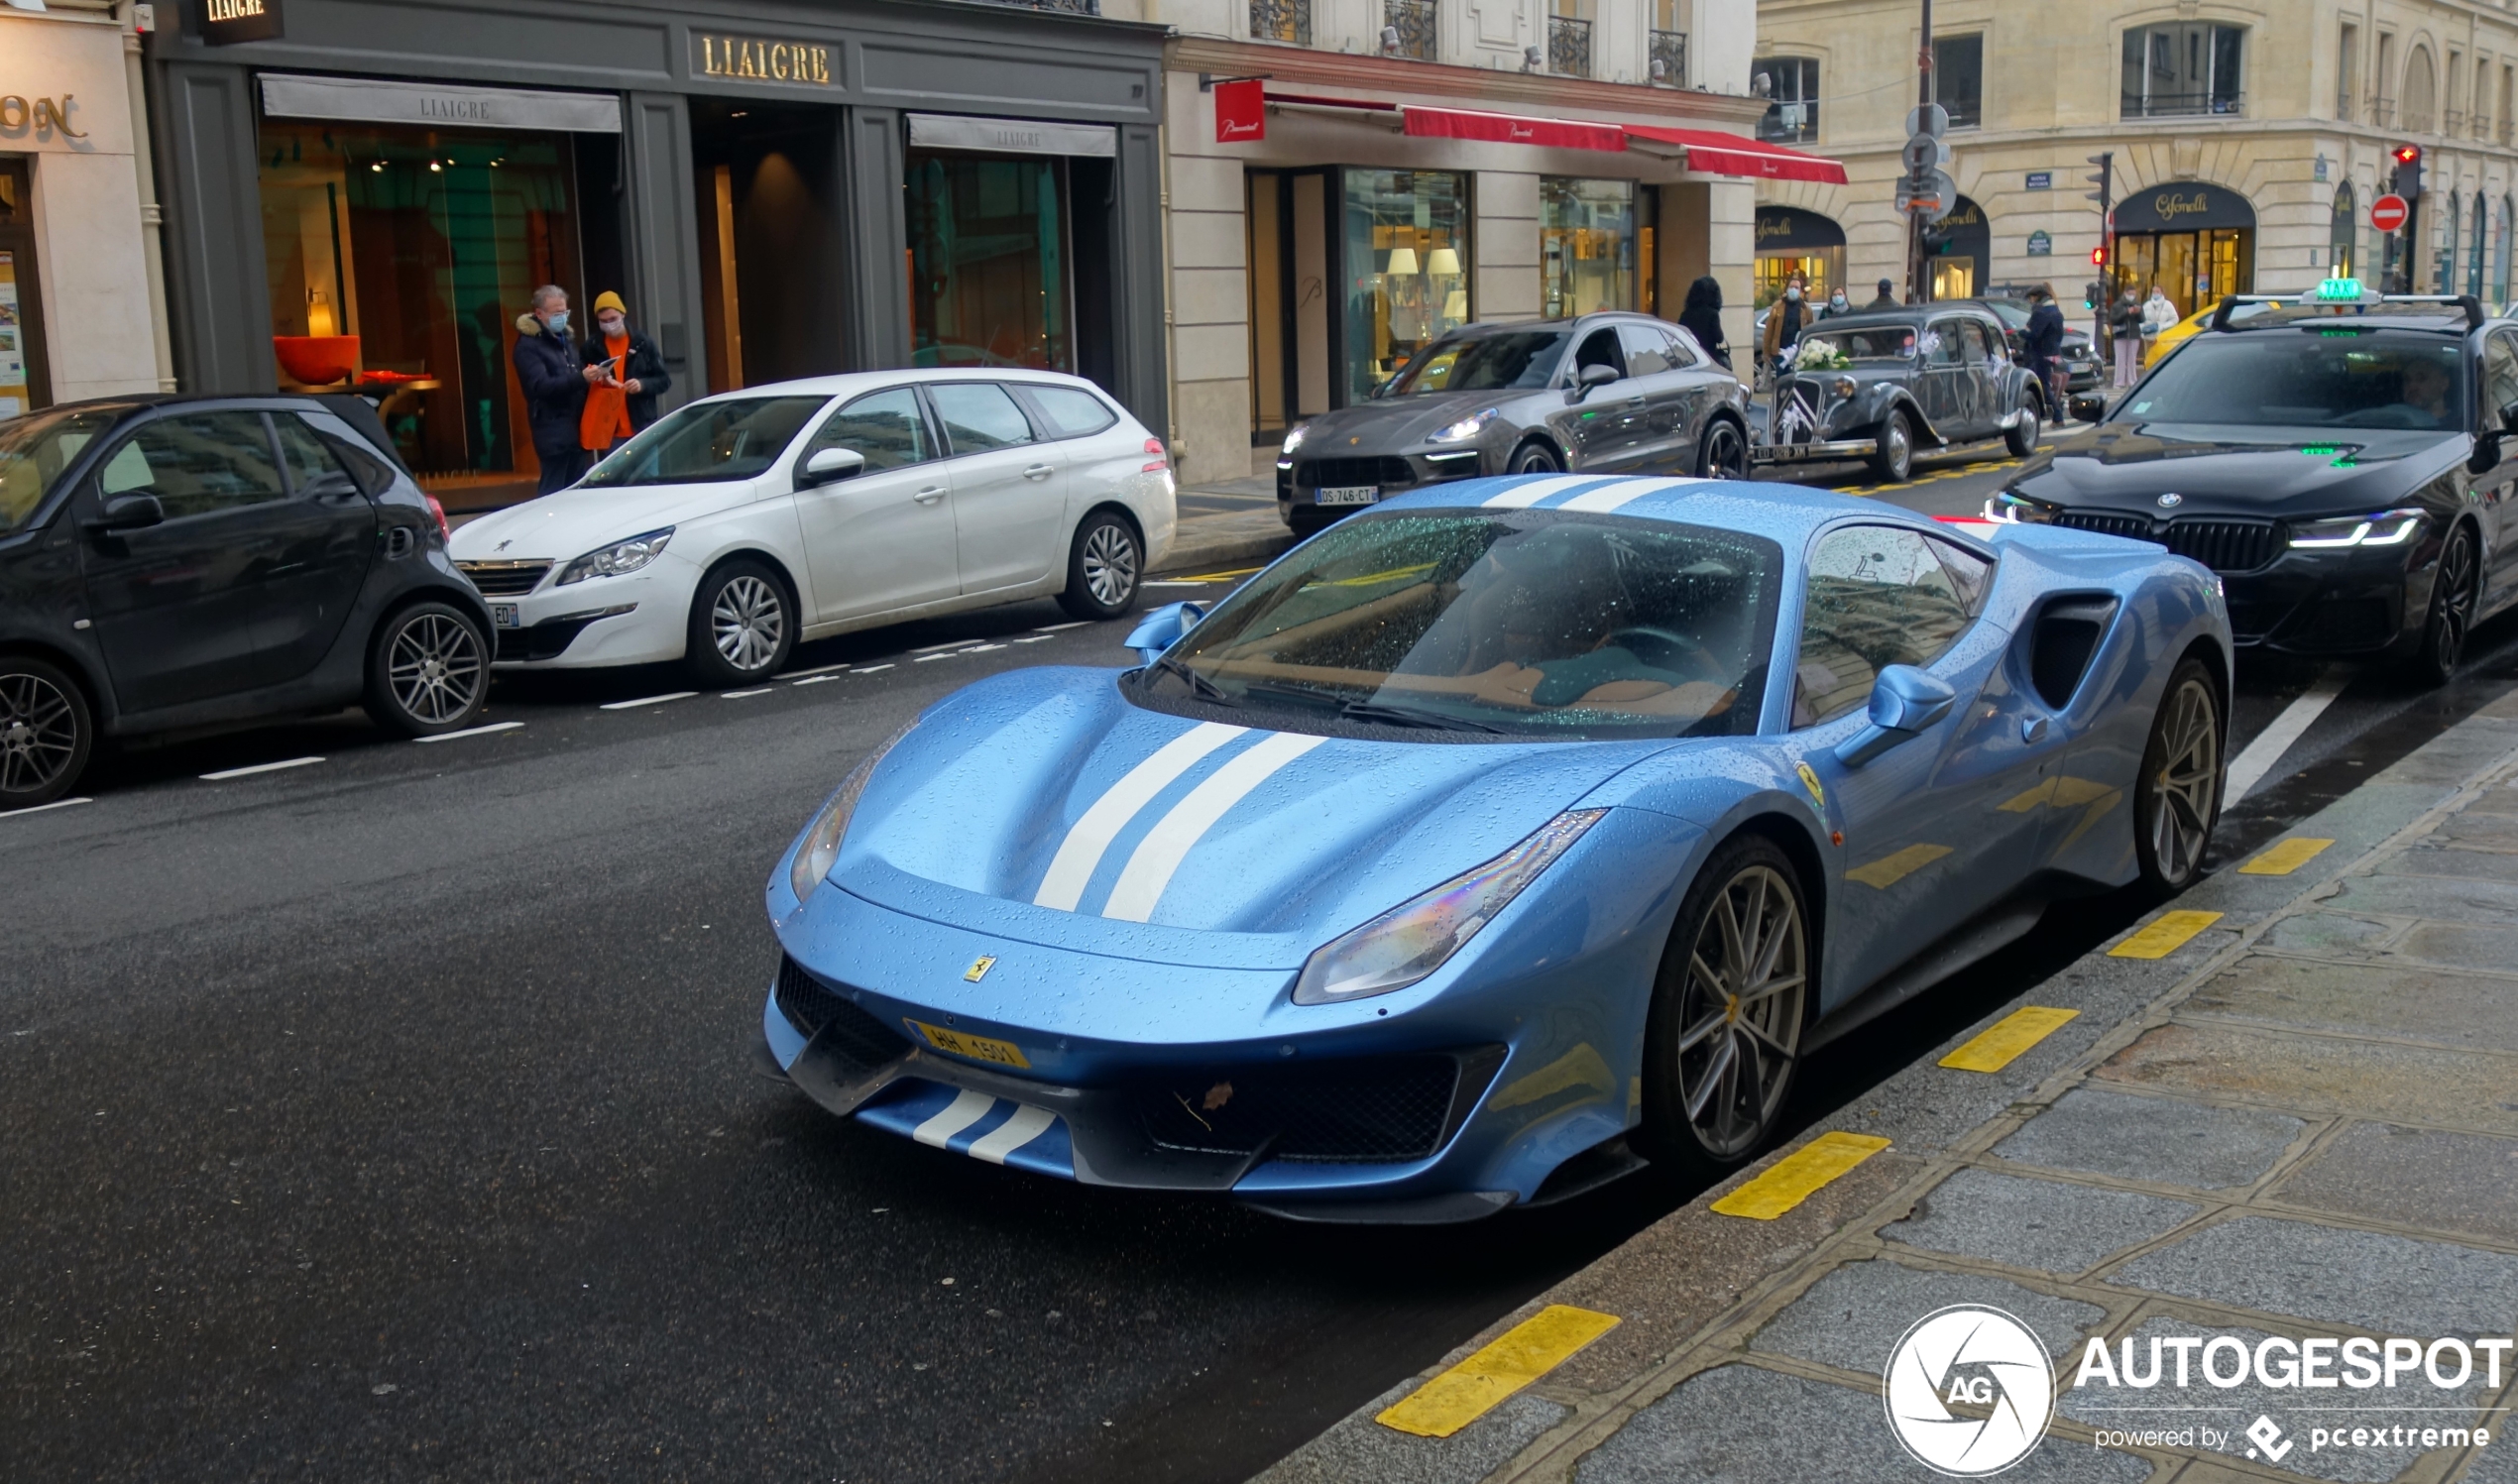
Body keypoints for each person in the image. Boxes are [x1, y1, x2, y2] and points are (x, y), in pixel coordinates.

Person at [511, 285, 594, 495]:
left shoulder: (565, 340)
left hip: (576, 427)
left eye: (564, 312)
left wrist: (593, 376)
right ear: (539, 313)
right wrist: (580, 378)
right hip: (552, 428)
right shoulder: (529, 346)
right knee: (554, 489)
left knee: (575, 489)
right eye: (556, 314)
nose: (562, 318)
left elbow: (575, 370)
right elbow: (540, 386)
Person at [577, 290, 673, 461]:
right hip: (610, 427)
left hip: (641, 425)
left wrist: (642, 385)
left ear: (622, 314)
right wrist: (599, 380)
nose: (609, 324)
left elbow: (664, 380)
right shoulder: (591, 347)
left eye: (613, 319)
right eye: (603, 321)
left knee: (647, 479)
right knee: (617, 482)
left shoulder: (642, 343)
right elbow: (581, 385)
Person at [2021, 284, 2067, 409]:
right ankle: (2046, 408)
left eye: (2031, 298)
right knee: (2040, 382)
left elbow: (2034, 334)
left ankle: (2057, 414)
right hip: (2053, 351)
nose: (2030, 301)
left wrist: (2022, 332)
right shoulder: (2056, 311)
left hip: (2041, 353)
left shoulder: (2040, 313)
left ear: (2036, 297)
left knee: (2042, 385)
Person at [1676, 276, 1731, 371]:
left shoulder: (1685, 314)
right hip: (1708, 358)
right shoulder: (1712, 314)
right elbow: (1719, 338)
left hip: (1690, 360)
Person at [1761, 272, 1810, 375]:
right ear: (1787, 289)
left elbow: (1810, 329)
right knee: (1781, 380)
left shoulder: (1806, 309)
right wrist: (1766, 352)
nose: (1793, 290)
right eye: (1791, 287)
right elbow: (1769, 330)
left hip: (1798, 352)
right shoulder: (1777, 306)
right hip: (1779, 351)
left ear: (1801, 291)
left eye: (1797, 288)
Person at [2109, 287, 2143, 389]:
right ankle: (2119, 382)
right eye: (2130, 293)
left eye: (2134, 294)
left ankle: (2132, 381)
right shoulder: (2117, 305)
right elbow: (2113, 319)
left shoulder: (2138, 304)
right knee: (2120, 359)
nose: (2132, 296)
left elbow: (2142, 319)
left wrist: (2138, 312)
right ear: (2125, 293)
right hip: (2120, 335)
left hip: (2134, 334)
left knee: (2132, 359)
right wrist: (2126, 312)